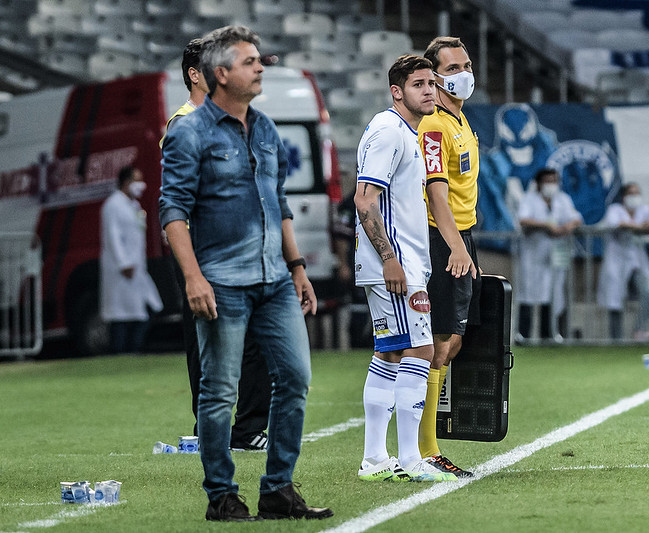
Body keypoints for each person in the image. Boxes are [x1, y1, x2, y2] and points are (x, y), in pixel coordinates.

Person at [160, 25, 332, 522]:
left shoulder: (266, 127)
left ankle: (277, 487)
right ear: (220, 73)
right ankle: (221, 494)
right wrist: (193, 277)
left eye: (260, 60)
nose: (260, 68)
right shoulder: (188, 131)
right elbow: (171, 209)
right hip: (222, 281)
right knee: (219, 391)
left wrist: (297, 266)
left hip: (275, 279)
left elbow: (278, 203)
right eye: (250, 61)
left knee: (296, 378)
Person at [163, 38, 270, 452]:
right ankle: (220, 429)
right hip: (202, 246)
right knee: (208, 341)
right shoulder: (184, 122)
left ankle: (244, 428)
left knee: (253, 337)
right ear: (196, 74)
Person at [354, 54, 456, 483]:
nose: (429, 90)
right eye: (418, 84)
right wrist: (391, 259)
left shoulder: (405, 132)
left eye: (432, 83)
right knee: (422, 351)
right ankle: (412, 459)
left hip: (397, 263)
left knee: (391, 353)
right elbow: (364, 199)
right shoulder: (389, 132)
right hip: (395, 266)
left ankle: (376, 458)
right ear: (397, 91)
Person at [417, 36, 480, 478]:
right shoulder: (435, 125)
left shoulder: (460, 120)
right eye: (453, 67)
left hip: (461, 235)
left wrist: (466, 242)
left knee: (452, 340)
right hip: (442, 237)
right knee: (438, 342)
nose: (463, 73)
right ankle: (425, 448)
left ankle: (424, 443)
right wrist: (456, 245)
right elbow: (436, 191)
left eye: (466, 64)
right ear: (435, 75)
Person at [100, 165, 163, 354]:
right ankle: (122, 352)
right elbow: (113, 237)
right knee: (121, 315)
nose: (141, 185)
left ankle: (133, 349)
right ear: (126, 182)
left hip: (138, 268)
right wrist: (123, 263)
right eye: (137, 180)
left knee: (151, 306)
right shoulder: (113, 205)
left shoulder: (134, 205)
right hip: (122, 270)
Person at [597, 182, 649, 341]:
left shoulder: (644, 210)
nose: (635, 197)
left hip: (638, 262)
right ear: (624, 197)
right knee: (615, 302)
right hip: (617, 261)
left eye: (637, 193)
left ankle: (639, 330)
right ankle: (616, 340)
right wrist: (638, 227)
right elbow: (615, 223)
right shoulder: (615, 210)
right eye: (631, 193)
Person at [516, 168, 582, 342]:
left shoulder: (562, 199)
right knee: (528, 294)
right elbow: (523, 219)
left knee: (551, 293)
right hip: (533, 255)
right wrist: (546, 225)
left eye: (554, 181)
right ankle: (523, 335)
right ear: (538, 183)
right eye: (547, 181)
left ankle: (548, 335)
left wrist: (566, 227)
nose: (551, 185)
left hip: (554, 255)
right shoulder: (529, 199)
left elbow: (576, 218)